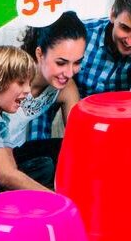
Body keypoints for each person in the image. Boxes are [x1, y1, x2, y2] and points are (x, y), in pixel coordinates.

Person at [9, 11, 88, 189]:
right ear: (40, 54)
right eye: (61, 63)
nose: (69, 72)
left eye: (77, 62)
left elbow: (79, 144)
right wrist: (58, 200)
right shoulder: (11, 77)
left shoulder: (66, 88)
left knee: (67, 152)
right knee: (47, 167)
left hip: (18, 154)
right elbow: (4, 171)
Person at [0, 45, 45, 191]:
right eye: (21, 83)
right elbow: (5, 176)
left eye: (29, 83)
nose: (28, 90)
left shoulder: (2, 115)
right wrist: (56, 199)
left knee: (44, 165)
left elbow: (10, 166)